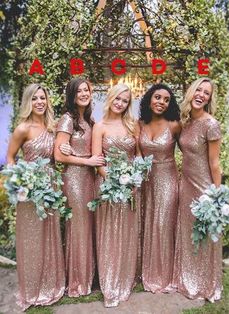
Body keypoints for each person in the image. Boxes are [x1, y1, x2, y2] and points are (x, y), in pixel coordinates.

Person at [7, 83, 65, 310]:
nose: (40, 102)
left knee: (49, 235)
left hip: (50, 187)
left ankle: (51, 285)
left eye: (43, 98)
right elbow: (10, 158)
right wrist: (20, 185)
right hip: (30, 190)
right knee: (31, 238)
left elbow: (59, 153)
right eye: (35, 98)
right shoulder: (23, 128)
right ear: (28, 102)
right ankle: (31, 288)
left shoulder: (53, 127)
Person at [173, 77, 222, 301]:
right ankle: (189, 278)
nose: (201, 95)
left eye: (206, 93)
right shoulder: (186, 122)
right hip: (186, 185)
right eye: (198, 90)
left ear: (209, 99)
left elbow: (215, 164)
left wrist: (216, 196)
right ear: (191, 92)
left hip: (203, 187)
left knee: (205, 234)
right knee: (188, 232)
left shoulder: (211, 124)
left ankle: (207, 282)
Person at [54, 77, 104, 297]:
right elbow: (58, 156)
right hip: (74, 179)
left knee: (89, 226)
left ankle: (90, 276)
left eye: (87, 90)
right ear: (72, 95)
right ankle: (78, 280)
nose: (84, 93)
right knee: (79, 227)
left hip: (90, 179)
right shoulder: (67, 120)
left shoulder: (90, 121)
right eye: (79, 91)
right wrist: (87, 162)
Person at [92, 83, 140, 307]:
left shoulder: (132, 125)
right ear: (110, 98)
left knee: (128, 233)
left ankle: (125, 278)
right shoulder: (99, 126)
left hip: (131, 187)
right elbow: (97, 160)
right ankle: (110, 283)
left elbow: (138, 156)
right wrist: (113, 180)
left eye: (125, 100)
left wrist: (134, 180)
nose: (120, 103)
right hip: (109, 186)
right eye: (118, 99)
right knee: (110, 233)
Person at [139, 83, 181, 293]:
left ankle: (164, 275)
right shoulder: (139, 124)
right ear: (149, 99)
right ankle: (145, 271)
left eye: (166, 100)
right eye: (157, 97)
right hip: (145, 180)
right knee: (147, 222)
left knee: (163, 224)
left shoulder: (174, 125)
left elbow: (191, 150)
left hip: (167, 179)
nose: (161, 102)